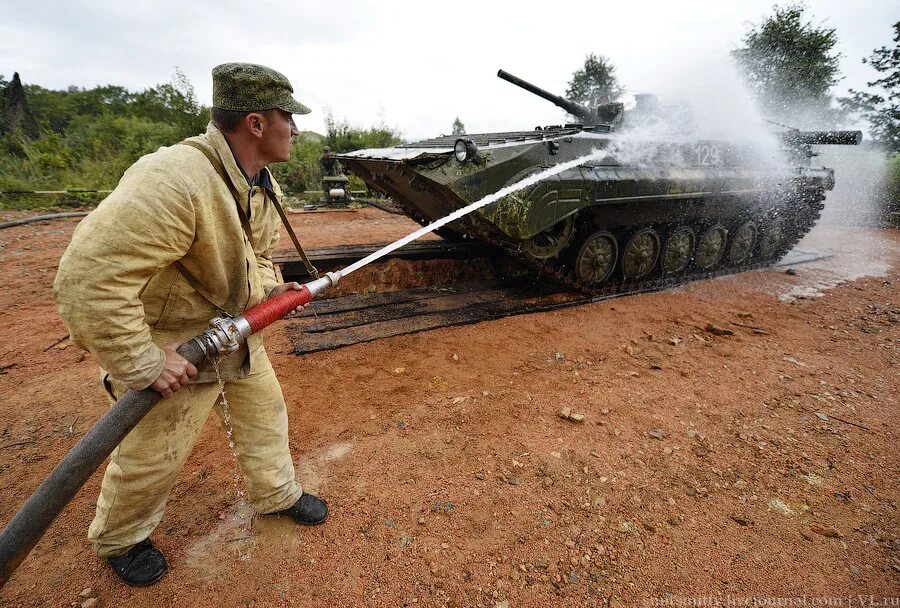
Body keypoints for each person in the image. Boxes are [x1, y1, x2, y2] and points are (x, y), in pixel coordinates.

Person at [52, 63, 327, 587]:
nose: (294, 129)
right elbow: (88, 276)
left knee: (265, 415)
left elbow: (256, 253)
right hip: (173, 343)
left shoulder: (257, 183)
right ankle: (121, 538)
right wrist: (143, 361)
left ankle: (276, 494)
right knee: (153, 453)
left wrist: (271, 290)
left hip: (235, 333)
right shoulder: (175, 180)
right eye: (286, 118)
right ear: (254, 122)